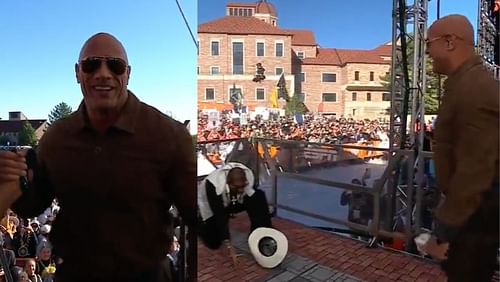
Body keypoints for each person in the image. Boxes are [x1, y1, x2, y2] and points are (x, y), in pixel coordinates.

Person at [0, 32, 197, 282]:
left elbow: (195, 215)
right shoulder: (57, 138)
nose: (103, 73)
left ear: (128, 73)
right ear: (77, 72)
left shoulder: (169, 135)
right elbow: (34, 204)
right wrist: (14, 181)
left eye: (115, 65)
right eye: (91, 64)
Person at [422, 14, 499, 281]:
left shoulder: (474, 89)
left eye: (429, 43)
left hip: (475, 220)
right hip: (473, 217)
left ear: (450, 42)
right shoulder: (463, 84)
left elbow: (475, 170)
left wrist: (444, 231)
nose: (427, 50)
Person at [198, 162, 272, 265]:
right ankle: (199, 224)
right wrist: (228, 243)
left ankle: (260, 234)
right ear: (228, 183)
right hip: (213, 205)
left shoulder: (247, 177)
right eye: (237, 187)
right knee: (214, 243)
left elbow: (251, 194)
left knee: (258, 197)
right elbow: (219, 214)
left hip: (232, 201)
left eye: (243, 186)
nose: (241, 190)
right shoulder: (213, 184)